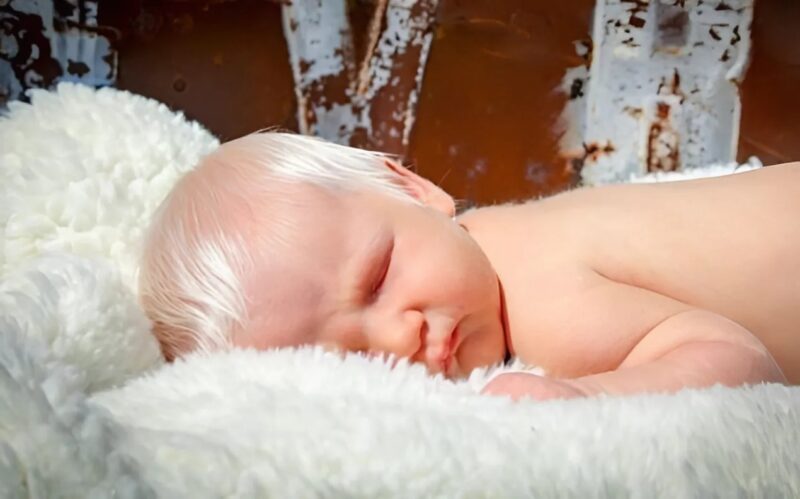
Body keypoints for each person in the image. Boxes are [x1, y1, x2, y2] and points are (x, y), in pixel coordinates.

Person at [139, 132, 792, 401]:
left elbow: (739, 360)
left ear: (416, 189)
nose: (397, 336)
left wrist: (587, 399)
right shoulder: (482, 263)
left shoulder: (540, 299)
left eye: (376, 278)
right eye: (351, 358)